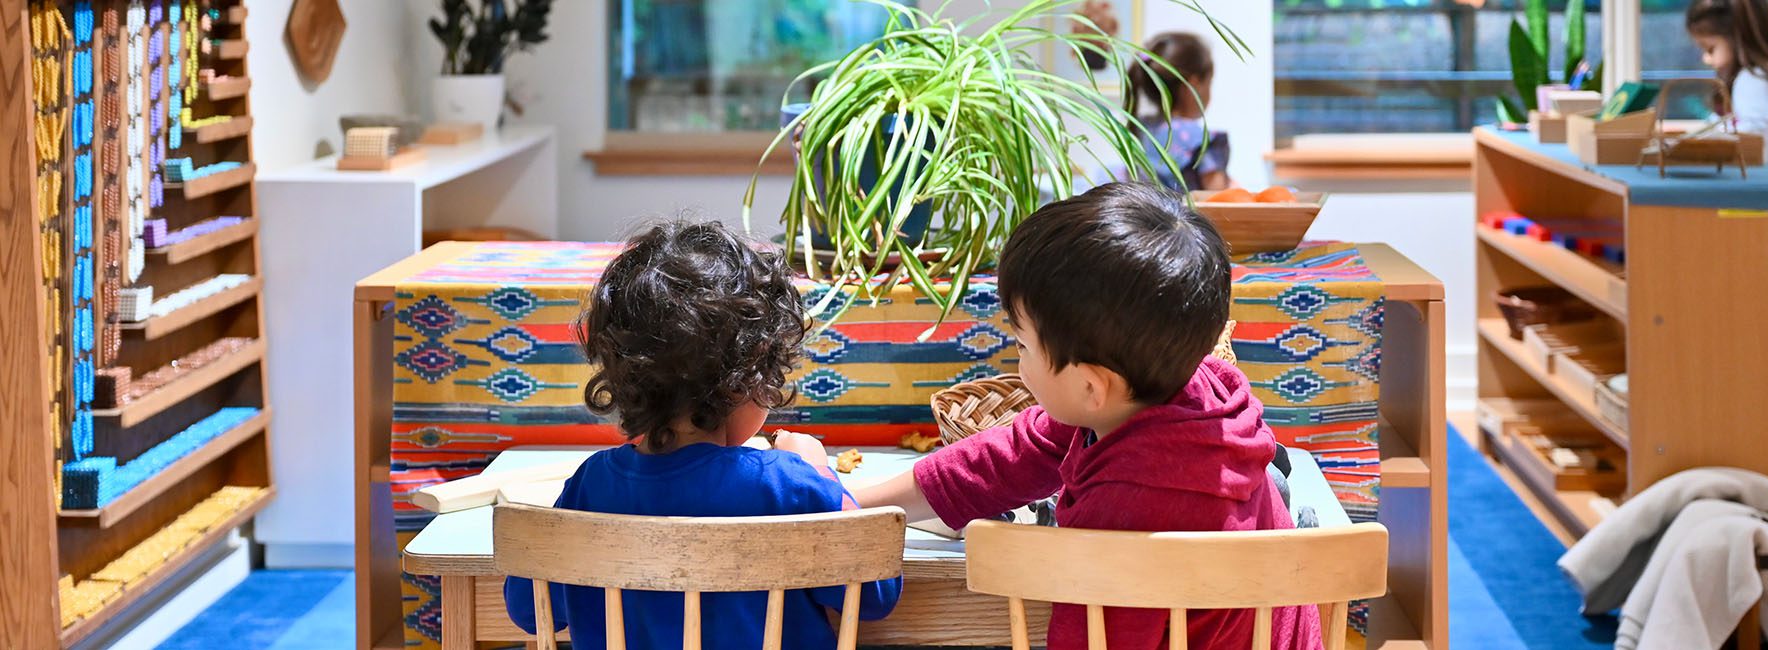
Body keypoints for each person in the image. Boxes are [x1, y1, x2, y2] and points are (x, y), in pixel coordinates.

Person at [854, 182, 1321, 650]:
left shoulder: (1125, 511)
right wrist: (850, 503)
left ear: (1091, 386)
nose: (1017, 361)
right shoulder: (1184, 391)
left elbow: (1096, 638)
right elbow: (1012, 456)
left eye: (1022, 345)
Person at [501, 221, 902, 649]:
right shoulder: (791, 485)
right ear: (745, 379)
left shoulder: (592, 484)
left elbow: (529, 610)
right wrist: (821, 474)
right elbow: (876, 595)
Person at [1073, 1, 1232, 190]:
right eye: (1208, 83)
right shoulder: (1200, 139)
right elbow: (1220, 205)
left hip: (1145, 219)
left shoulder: (1142, 129)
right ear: (1194, 84)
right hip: (1183, 220)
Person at [1688, 0, 1768, 167]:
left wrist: (1709, 136)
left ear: (1737, 38)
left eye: (1710, 48)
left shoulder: (1753, 78)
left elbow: (1754, 133)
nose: (1706, 59)